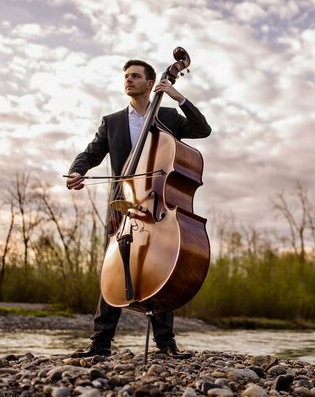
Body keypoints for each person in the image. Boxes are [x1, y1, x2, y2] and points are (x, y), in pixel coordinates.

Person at [66, 59, 211, 359]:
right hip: (122, 206)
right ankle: (100, 344)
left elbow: (202, 129)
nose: (129, 81)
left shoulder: (168, 116)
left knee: (161, 266)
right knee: (114, 268)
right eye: (126, 77)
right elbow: (91, 153)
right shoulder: (113, 121)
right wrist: (77, 170)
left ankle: (166, 344)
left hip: (156, 206)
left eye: (135, 76)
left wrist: (178, 97)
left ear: (149, 83)